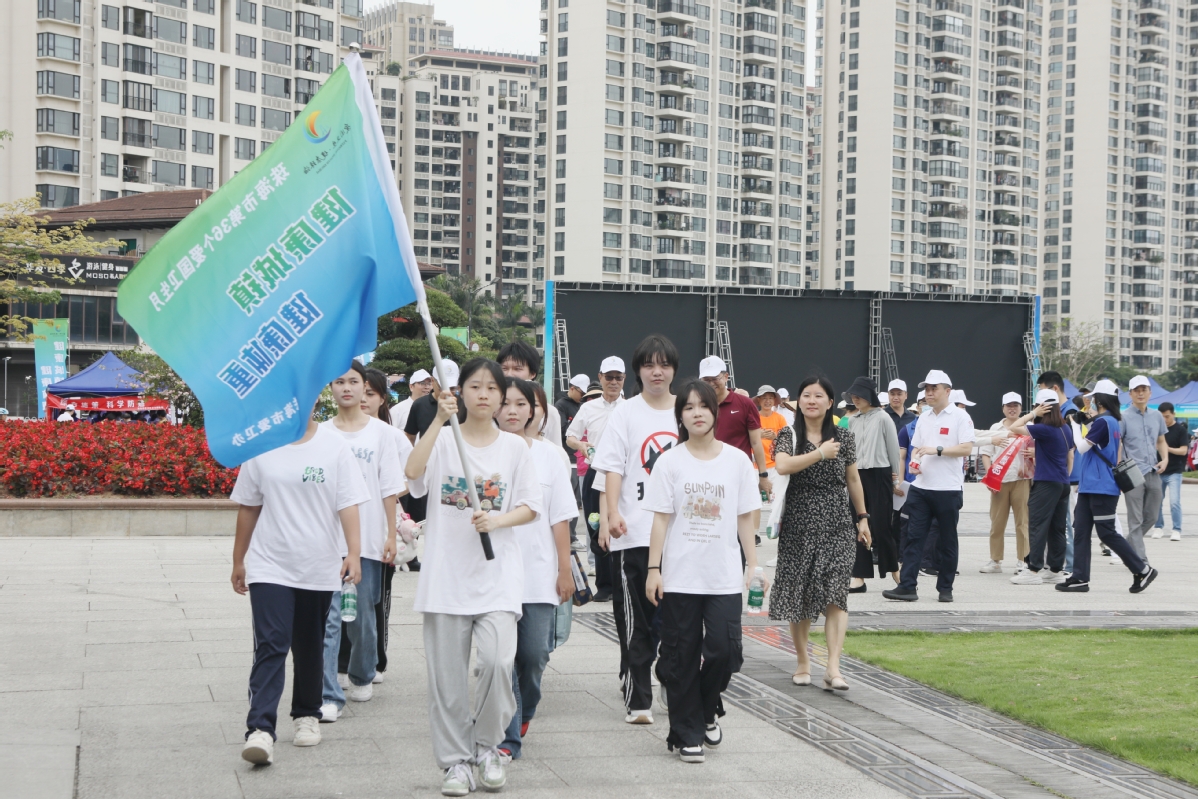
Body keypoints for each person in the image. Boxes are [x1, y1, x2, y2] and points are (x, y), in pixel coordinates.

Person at [404, 358, 541, 796]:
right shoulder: (444, 441)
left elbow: (530, 506)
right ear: (459, 393)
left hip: (497, 577)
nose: (483, 394)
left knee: (500, 663)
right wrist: (439, 421)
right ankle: (455, 763)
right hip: (446, 579)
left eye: (491, 388)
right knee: (447, 682)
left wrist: (497, 523)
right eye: (474, 386)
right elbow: (411, 475)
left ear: (503, 398)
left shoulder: (515, 449)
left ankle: (486, 748)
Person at [230, 401, 369, 766]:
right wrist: (238, 560)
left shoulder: (333, 446)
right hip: (269, 563)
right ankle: (260, 728)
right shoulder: (261, 446)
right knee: (272, 643)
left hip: (318, 564)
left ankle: (307, 714)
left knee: (309, 644)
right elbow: (248, 505)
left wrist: (353, 552)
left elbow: (349, 502)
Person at [643, 379, 764, 764]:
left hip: (723, 573)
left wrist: (754, 564)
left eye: (703, 406)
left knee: (724, 651)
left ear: (715, 411)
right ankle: (687, 731)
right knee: (681, 653)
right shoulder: (670, 461)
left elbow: (746, 517)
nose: (697, 413)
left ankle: (707, 706)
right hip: (680, 574)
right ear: (681, 415)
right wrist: (653, 568)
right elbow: (661, 520)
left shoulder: (737, 461)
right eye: (689, 407)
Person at [592, 335, 680, 725]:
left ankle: (670, 682)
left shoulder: (688, 408)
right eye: (648, 365)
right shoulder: (625, 414)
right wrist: (611, 513)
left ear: (674, 369)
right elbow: (613, 467)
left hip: (681, 538)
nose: (656, 372)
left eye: (663, 365)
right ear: (638, 371)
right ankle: (639, 698)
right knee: (635, 622)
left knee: (677, 623)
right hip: (635, 533)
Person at [769, 376, 871, 690]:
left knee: (836, 595)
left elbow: (853, 479)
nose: (811, 401)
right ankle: (803, 662)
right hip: (799, 524)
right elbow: (783, 467)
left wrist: (863, 517)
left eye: (819, 396)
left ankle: (833, 667)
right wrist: (820, 454)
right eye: (806, 396)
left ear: (830, 403)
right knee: (799, 595)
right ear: (798, 402)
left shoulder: (844, 436)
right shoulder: (788, 434)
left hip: (838, 523)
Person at [496, 379, 577, 762]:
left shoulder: (550, 457)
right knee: (500, 657)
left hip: (539, 573)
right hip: (493, 574)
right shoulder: (480, 453)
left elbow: (560, 517)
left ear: (534, 411)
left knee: (533, 656)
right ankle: (507, 735)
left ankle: (524, 711)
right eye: (505, 403)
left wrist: (565, 570)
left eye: (520, 404)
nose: (512, 410)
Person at [318, 363, 403, 722]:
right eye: (339, 382)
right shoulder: (321, 433)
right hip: (327, 538)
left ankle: (361, 673)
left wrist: (389, 533)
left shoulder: (381, 433)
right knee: (329, 614)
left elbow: (389, 486)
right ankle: (327, 686)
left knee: (363, 613)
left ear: (365, 386)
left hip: (368, 538)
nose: (347, 388)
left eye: (354, 382)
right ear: (331, 388)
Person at [1057, 380, 1158, 594]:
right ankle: (1079, 578)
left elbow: (1082, 447)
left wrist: (1075, 425)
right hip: (1092, 485)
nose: (1091, 400)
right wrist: (1086, 419)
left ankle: (1142, 569)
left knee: (1107, 533)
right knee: (1081, 531)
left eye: (1094, 397)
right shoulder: (1110, 420)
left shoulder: (1105, 422)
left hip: (1101, 486)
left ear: (1100, 399)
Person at [884, 370, 976, 603]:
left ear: (948, 391)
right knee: (914, 538)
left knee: (947, 540)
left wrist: (939, 450)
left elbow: (966, 448)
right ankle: (907, 586)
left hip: (948, 489)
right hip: (922, 488)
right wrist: (914, 463)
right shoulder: (923, 417)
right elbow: (916, 447)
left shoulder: (960, 417)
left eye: (934, 388)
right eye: (926, 389)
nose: (929, 393)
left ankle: (945, 588)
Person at [352, 369, 413, 688]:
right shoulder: (333, 432)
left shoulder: (389, 435)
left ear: (381, 399)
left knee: (372, 603)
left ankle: (374, 660)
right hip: (340, 535)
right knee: (340, 607)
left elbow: (409, 479)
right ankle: (341, 665)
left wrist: (380, 489)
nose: (363, 399)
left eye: (370, 394)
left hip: (377, 531)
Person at [565, 356, 627, 602]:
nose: (613, 382)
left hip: (623, 474)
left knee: (621, 526)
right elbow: (570, 436)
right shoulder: (588, 407)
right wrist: (581, 445)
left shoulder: (630, 407)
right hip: (595, 472)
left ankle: (622, 582)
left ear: (624, 380)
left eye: (618, 378)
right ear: (600, 377)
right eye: (608, 377)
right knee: (595, 526)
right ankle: (605, 584)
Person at [1008, 390, 1074, 585]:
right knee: (1057, 528)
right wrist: (1065, 477)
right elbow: (1070, 456)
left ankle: (1033, 569)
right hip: (1062, 483)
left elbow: (1015, 426)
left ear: (1042, 407)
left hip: (1046, 482)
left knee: (1037, 525)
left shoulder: (1045, 429)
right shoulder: (1065, 428)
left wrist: (1032, 414)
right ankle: (1055, 569)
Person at [844, 376, 901, 592]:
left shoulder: (883, 418)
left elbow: (893, 450)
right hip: (857, 475)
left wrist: (895, 479)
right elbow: (849, 451)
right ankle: (859, 576)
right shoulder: (852, 420)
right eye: (853, 396)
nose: (855, 399)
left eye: (859, 395)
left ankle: (894, 569)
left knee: (881, 525)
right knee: (857, 523)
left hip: (880, 474)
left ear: (869, 396)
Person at [402, 360, 459, 572]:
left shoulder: (461, 406)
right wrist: (412, 461)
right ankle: (414, 555)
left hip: (454, 470)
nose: (449, 392)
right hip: (426, 471)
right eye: (445, 386)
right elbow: (408, 435)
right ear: (433, 382)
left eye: (453, 388)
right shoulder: (419, 406)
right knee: (422, 514)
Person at [699, 356, 772, 503]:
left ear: (726, 377)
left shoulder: (744, 404)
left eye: (715, 378)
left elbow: (756, 442)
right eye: (706, 380)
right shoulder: (696, 405)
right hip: (704, 478)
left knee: (740, 521)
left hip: (738, 477)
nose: (711, 383)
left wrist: (763, 476)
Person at [978, 393, 1030, 575]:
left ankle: (1023, 560)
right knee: (997, 522)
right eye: (1009, 405)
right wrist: (990, 476)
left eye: (1016, 405)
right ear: (1003, 408)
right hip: (1000, 481)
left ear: (1021, 407)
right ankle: (995, 560)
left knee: (1022, 522)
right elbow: (985, 453)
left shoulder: (1028, 427)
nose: (1012, 408)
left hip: (1022, 480)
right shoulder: (996, 428)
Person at [1120, 375, 1167, 567]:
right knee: (1136, 519)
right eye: (1136, 390)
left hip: (1153, 470)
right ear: (1130, 394)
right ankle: (1140, 561)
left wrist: (1165, 459)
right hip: (1132, 473)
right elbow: (1119, 445)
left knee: (1152, 516)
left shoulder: (1156, 416)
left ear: (1150, 392)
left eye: (1144, 390)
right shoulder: (1122, 417)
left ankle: (1127, 545)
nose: (1140, 393)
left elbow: (1161, 441)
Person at [498, 340, 563, 455]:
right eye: (504, 368)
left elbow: (557, 451)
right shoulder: (490, 407)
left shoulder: (549, 412)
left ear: (532, 373)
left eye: (517, 369)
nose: (509, 374)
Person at [1153, 401, 1186, 542]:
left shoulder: (1180, 430)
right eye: (1162, 417)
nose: (1165, 420)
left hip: (1175, 471)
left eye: (1167, 416)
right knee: (1157, 501)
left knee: (1174, 501)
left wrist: (1165, 449)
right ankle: (1158, 527)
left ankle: (1176, 529)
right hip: (1159, 470)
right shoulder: (1156, 429)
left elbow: (1184, 450)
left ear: (1173, 414)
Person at [754, 385, 789, 480]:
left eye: (770, 398)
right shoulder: (753, 418)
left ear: (774, 401)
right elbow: (744, 438)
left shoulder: (780, 418)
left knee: (777, 495)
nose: (767, 401)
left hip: (776, 466)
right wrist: (757, 435)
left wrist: (776, 437)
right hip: (756, 467)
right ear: (759, 400)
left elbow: (787, 441)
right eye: (764, 398)